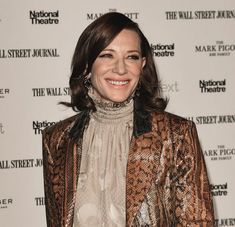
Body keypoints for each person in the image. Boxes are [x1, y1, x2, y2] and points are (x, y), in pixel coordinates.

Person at [42, 12, 215, 227]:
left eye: (131, 57)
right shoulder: (57, 140)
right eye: (107, 55)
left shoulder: (176, 134)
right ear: (87, 66)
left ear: (142, 65)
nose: (121, 68)